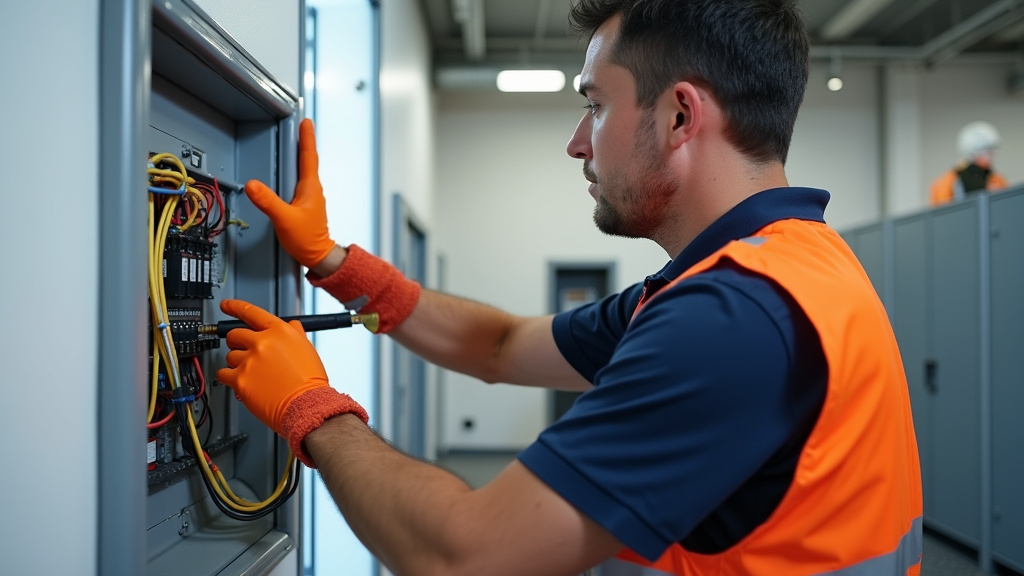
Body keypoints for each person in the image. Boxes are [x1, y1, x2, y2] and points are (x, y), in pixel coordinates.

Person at [216, 1, 923, 574]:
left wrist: (312, 409)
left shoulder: (732, 318)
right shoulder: (782, 269)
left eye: (597, 105)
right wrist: (334, 261)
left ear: (680, 116)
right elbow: (499, 346)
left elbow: (461, 557)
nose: (578, 142)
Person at [929, 120, 1008, 206]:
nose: (991, 155)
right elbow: (943, 210)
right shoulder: (947, 182)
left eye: (991, 151)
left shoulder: (997, 180)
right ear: (972, 153)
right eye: (987, 152)